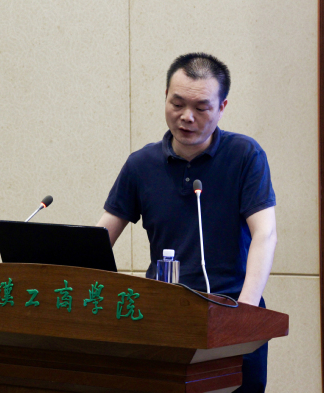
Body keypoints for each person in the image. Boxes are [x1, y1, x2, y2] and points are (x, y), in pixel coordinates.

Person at [97, 53, 277, 392]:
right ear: (165, 96)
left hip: (232, 316)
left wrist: (245, 313)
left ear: (222, 107)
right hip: (162, 321)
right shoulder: (141, 164)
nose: (186, 117)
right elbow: (100, 238)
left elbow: (265, 233)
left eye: (201, 108)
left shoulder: (245, 155)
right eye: (177, 104)